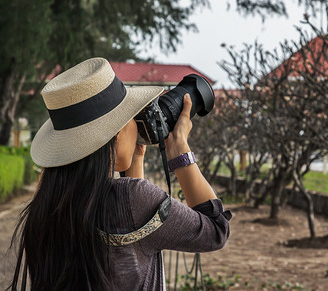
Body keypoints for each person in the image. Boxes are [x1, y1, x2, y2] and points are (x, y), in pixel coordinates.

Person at [10, 58, 231, 290]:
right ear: (116, 135)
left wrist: (135, 159)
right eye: (130, 116)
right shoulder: (134, 199)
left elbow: (130, 235)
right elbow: (216, 230)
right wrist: (180, 149)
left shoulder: (46, 207)